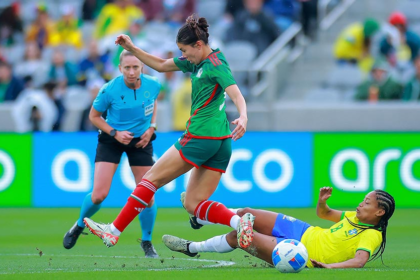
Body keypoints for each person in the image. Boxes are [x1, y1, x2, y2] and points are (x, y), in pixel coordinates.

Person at [83, 15, 253, 250]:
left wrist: (243, 115)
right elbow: (162, 65)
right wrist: (131, 48)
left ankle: (113, 231)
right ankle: (238, 222)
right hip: (221, 142)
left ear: (199, 45)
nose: (184, 55)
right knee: (194, 203)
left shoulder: (215, 65)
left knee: (150, 179)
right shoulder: (198, 61)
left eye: (185, 50)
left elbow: (235, 92)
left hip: (201, 136)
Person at [63, 50, 161, 258]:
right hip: (112, 138)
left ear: (142, 66)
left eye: (136, 67)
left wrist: (151, 127)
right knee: (99, 195)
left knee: (148, 196)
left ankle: (147, 241)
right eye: (127, 67)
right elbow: (94, 116)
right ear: (120, 68)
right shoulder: (109, 90)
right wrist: (115, 133)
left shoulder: (153, 84)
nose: (132, 72)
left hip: (140, 140)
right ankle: (79, 225)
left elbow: (153, 103)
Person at [163, 187, 395, 269]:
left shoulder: (372, 235)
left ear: (379, 212)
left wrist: (330, 267)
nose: (360, 203)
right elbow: (324, 215)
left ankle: (191, 247)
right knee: (246, 213)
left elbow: (359, 261)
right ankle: (199, 218)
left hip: (297, 251)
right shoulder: (352, 216)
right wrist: (322, 203)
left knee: (240, 236)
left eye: (367, 203)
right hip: (304, 230)